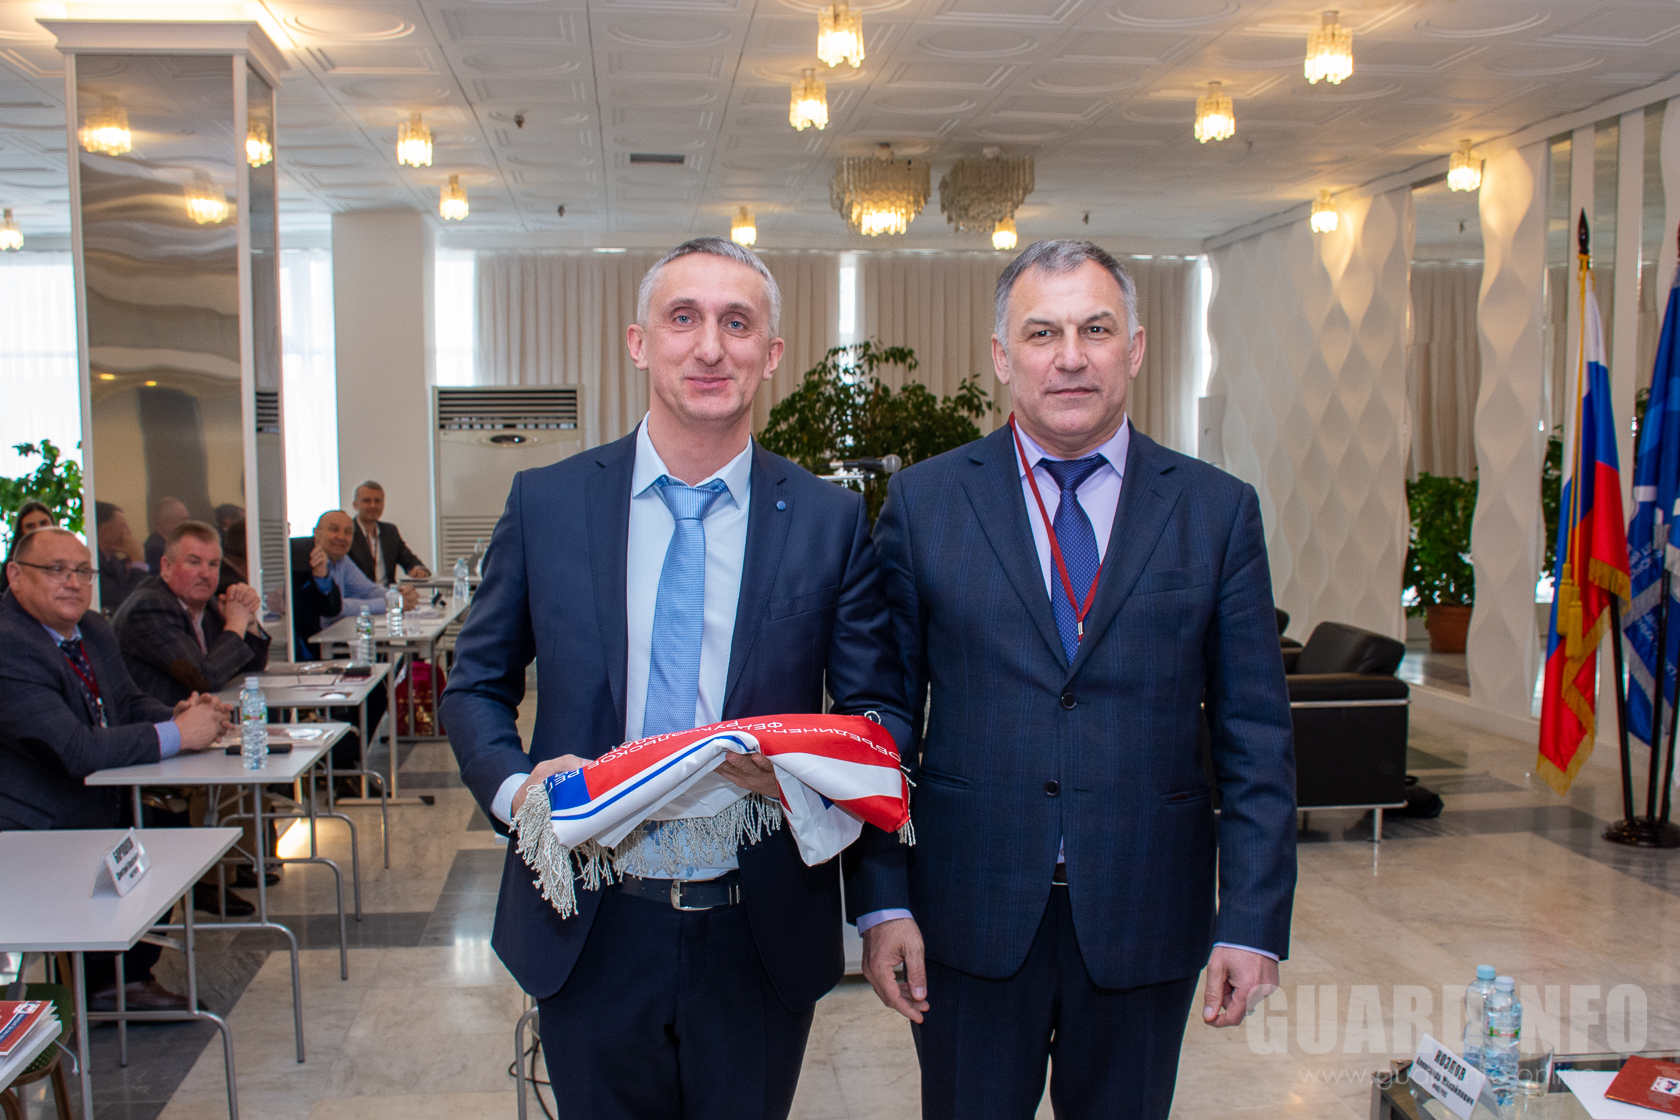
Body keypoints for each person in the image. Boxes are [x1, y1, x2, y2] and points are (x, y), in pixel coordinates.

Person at [440, 237, 912, 1120]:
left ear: (770, 353)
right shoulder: (547, 503)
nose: (709, 347)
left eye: (737, 323)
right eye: (683, 318)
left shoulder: (828, 520)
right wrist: (520, 797)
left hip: (758, 925)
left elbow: (876, 713)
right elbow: (473, 687)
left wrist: (799, 775)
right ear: (639, 342)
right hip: (588, 917)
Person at [854, 240, 1298, 1120]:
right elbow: (883, 721)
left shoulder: (1215, 510)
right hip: (968, 914)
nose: (1069, 357)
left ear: (1134, 348)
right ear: (1001, 356)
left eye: (1096, 330)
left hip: (1147, 913)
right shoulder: (926, 504)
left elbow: (1255, 733)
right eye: (1042, 333)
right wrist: (880, 904)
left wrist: (1252, 919)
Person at [0, 526, 228, 1011]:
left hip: (92, 801)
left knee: (171, 836)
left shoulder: (92, 629)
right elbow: (74, 750)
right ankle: (109, 980)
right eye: (56, 570)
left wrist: (179, 715)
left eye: (83, 572)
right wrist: (178, 735)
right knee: (156, 837)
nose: (73, 582)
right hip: (32, 825)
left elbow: (125, 702)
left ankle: (121, 973)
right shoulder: (9, 643)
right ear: (15, 576)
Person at [112, 520, 270, 706]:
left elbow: (250, 669)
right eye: (194, 562)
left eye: (213, 564)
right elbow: (204, 678)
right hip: (161, 720)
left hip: (202, 716)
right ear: (166, 567)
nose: (205, 573)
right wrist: (236, 624)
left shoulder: (209, 604)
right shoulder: (148, 608)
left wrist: (248, 621)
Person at [348, 480, 430, 586]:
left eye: (377, 501)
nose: (373, 505)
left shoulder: (390, 531)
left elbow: (408, 559)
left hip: (388, 593)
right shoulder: (346, 532)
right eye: (366, 501)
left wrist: (417, 569)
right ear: (355, 505)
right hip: (358, 594)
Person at [96, 500, 150, 611]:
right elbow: (128, 602)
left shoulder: (115, 562)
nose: (129, 532)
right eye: (123, 527)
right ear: (105, 530)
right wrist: (138, 561)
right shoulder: (95, 565)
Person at [0, 500, 56, 594]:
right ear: (22, 533)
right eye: (30, 526)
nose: (38, 529)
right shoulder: (13, 567)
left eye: (43, 523)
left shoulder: (70, 559)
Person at [143, 495, 190, 573]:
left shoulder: (168, 545)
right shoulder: (156, 550)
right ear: (167, 522)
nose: (188, 524)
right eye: (183, 519)